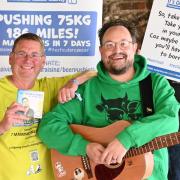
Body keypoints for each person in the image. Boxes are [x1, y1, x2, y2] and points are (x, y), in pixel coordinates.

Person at [38, 19, 180, 180]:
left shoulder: (156, 84)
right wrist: (84, 147)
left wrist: (126, 140)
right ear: (101, 50)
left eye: (124, 44)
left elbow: (171, 120)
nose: (117, 50)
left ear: (135, 48)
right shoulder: (86, 90)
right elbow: (48, 126)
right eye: (109, 45)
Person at [0, 32, 96, 180]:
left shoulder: (50, 86)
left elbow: (94, 73)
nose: (28, 60)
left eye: (34, 55)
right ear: (11, 58)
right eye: (22, 53)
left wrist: (74, 82)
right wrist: (2, 126)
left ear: (43, 61)